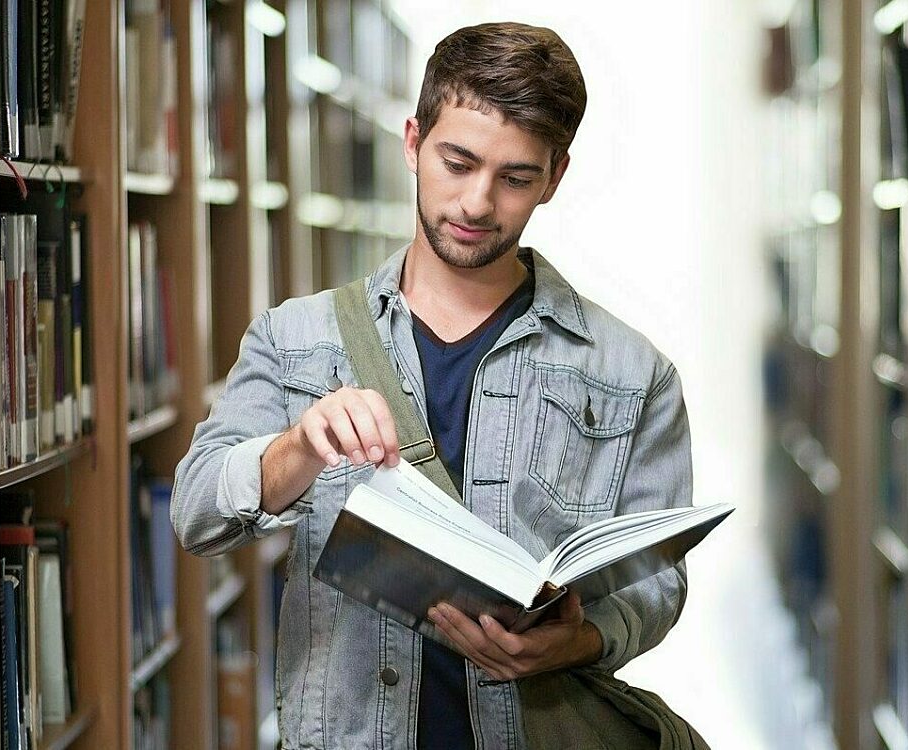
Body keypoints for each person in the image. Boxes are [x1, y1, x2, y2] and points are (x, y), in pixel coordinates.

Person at [172, 21, 695, 749]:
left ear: (555, 176)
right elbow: (195, 513)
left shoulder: (633, 373)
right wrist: (298, 447)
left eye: (515, 178)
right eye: (458, 161)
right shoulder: (297, 340)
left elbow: (657, 584)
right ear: (414, 141)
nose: (478, 203)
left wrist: (575, 642)